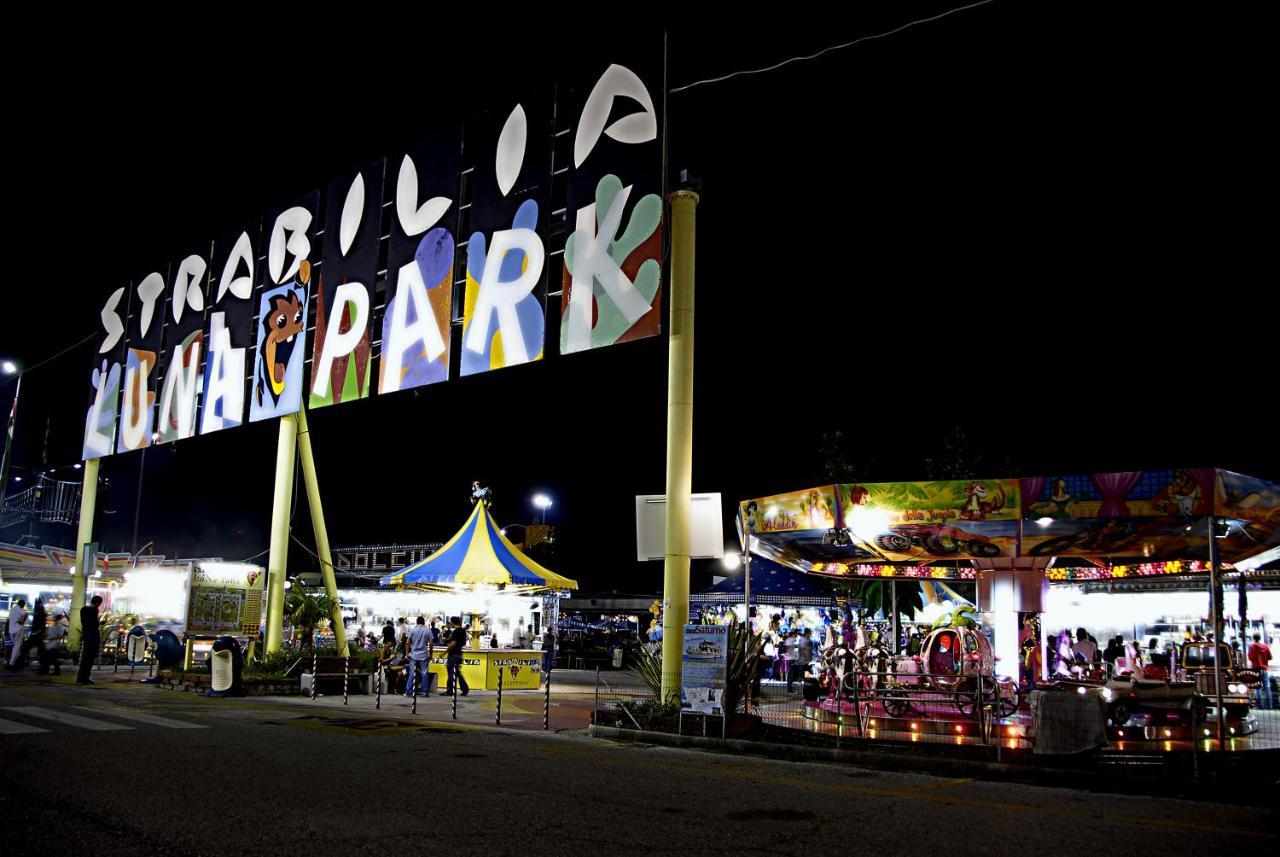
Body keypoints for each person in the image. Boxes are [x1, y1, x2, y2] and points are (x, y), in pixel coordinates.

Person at [77, 595, 103, 684]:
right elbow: (94, 625)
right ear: (97, 603)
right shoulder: (94, 611)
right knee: (90, 659)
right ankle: (85, 678)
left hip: (86, 636)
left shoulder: (83, 610)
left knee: (85, 658)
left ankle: (80, 677)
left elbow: (87, 623)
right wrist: (100, 622)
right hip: (92, 637)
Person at [405, 616, 433, 697]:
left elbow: (407, 643)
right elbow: (431, 644)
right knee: (424, 673)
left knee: (411, 673)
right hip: (424, 655)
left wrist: (407, 653)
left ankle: (409, 691)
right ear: (424, 622)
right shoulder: (428, 631)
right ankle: (425, 692)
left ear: (417, 622)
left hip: (414, 655)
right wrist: (430, 654)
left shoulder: (412, 630)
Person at [444, 616, 469, 696]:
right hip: (459, 654)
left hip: (453, 655)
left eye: (450, 622)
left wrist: (444, 653)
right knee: (457, 673)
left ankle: (450, 690)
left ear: (452, 622)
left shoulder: (456, 631)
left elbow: (453, 643)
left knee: (451, 673)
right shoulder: (463, 631)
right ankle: (465, 689)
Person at [1247, 633, 1273, 710]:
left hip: (1255, 669)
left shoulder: (1252, 646)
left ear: (1253, 638)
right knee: (1267, 687)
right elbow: (1270, 657)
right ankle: (1269, 706)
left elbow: (1251, 657)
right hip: (1264, 669)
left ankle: (1260, 706)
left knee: (1257, 688)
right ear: (1260, 638)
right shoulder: (1266, 646)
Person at [7, 598, 29, 669]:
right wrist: (24, 618)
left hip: (11, 631)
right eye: (24, 605)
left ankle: (17, 661)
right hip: (18, 630)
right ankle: (12, 663)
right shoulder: (21, 610)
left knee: (16, 647)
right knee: (17, 647)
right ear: (22, 604)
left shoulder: (12, 609)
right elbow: (24, 618)